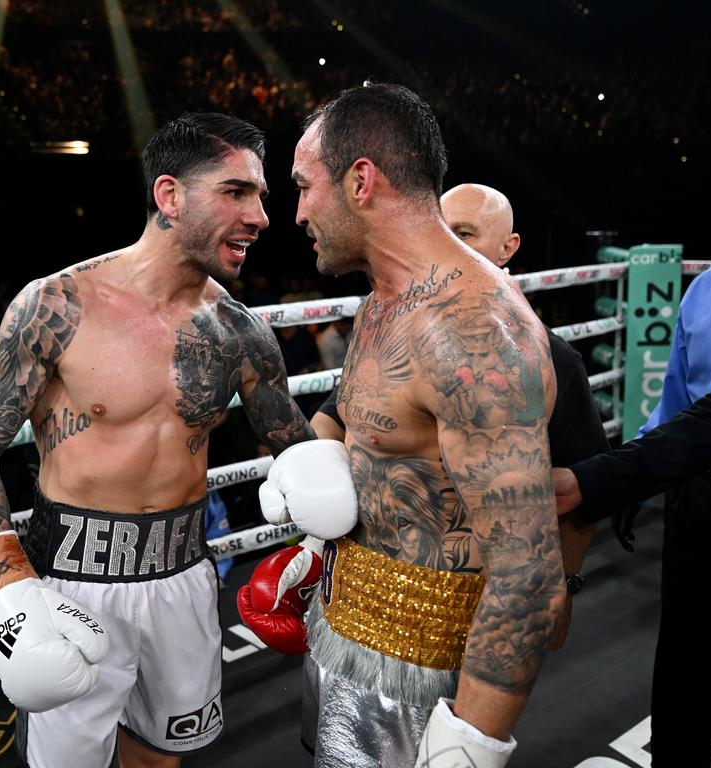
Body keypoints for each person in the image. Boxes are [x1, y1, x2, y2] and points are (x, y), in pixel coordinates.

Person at [0, 113, 316, 768]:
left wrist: (314, 547)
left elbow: (304, 457)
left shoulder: (241, 333)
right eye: (236, 192)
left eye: (262, 195)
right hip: (71, 581)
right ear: (169, 196)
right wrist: (7, 591)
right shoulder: (55, 306)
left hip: (182, 575)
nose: (260, 216)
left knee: (160, 759)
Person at [258, 83, 565, 767]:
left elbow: (528, 576)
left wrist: (473, 741)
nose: (298, 211)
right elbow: (371, 441)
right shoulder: (381, 304)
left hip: (424, 675)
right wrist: (317, 544)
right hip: (345, 629)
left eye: (305, 187)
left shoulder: (471, 328)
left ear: (361, 180)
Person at [554, 244, 711, 765]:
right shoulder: (709, 288)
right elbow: (685, 403)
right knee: (684, 687)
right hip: (700, 503)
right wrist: (631, 479)